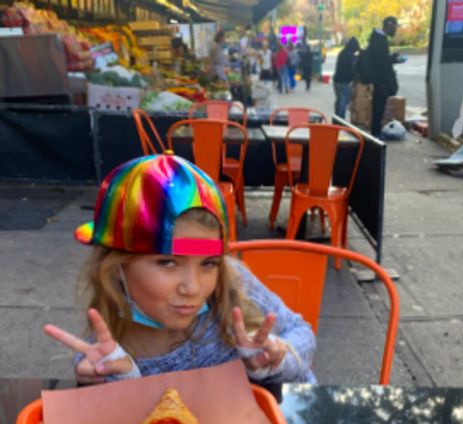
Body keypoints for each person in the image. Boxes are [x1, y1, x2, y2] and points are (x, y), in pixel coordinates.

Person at [43, 154, 316, 388]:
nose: (193, 288)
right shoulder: (101, 356)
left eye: (208, 263)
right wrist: (121, 381)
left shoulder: (230, 279)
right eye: (168, 263)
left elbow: (300, 331)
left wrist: (276, 361)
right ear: (116, 267)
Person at [366, 16, 400, 136]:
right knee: (378, 107)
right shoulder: (380, 40)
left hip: (379, 79)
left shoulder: (378, 38)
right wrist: (393, 59)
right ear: (389, 25)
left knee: (379, 106)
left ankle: (376, 131)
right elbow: (381, 61)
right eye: (395, 27)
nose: (395, 30)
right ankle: (376, 132)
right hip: (381, 80)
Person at [333, 37, 360, 119]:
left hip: (337, 80)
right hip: (344, 81)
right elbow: (354, 68)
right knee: (344, 100)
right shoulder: (351, 56)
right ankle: (341, 119)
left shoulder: (342, 53)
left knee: (339, 100)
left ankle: (336, 117)